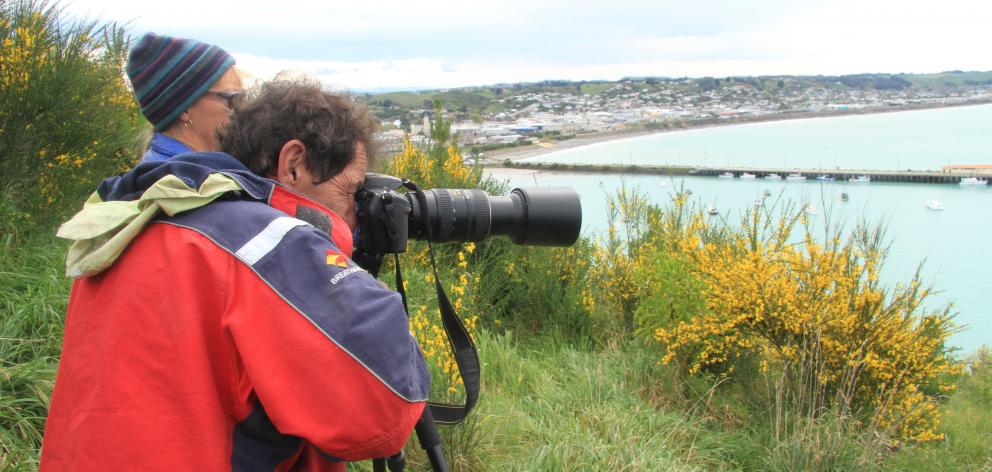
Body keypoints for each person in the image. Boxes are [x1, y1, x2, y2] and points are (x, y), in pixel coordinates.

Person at [40, 78, 430, 471]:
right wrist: (373, 298)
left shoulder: (140, 217)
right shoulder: (267, 243)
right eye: (349, 193)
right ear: (292, 164)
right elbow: (384, 410)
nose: (353, 216)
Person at [126, 32, 244, 162]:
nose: (240, 110)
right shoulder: (184, 178)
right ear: (185, 109)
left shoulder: (186, 169)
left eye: (242, 97)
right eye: (231, 98)